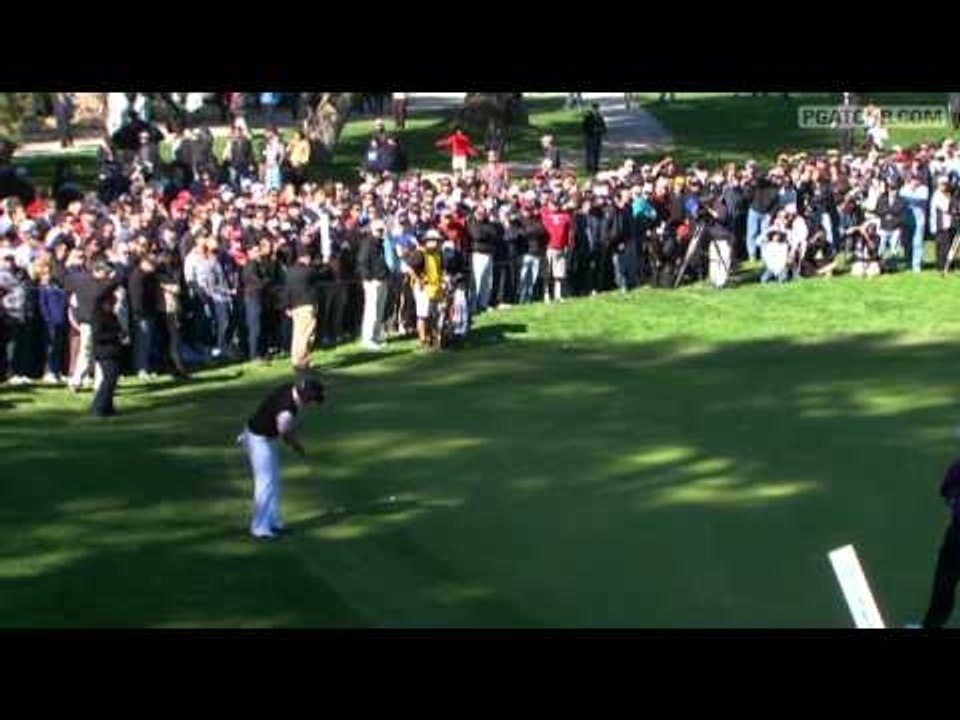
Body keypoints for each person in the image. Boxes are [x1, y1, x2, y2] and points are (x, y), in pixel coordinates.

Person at [237, 374, 326, 541]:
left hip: (264, 436)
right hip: (258, 440)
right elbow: (284, 431)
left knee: (274, 481)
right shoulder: (287, 410)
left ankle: (273, 523)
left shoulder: (291, 389)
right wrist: (296, 445)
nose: (312, 404)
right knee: (266, 482)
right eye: (312, 400)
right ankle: (260, 529)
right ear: (305, 397)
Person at [914, 451, 960, 628]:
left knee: (944, 587)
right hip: (957, 537)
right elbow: (946, 492)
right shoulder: (958, 467)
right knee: (943, 588)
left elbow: (947, 494)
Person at [90, 266, 124, 418]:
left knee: (112, 379)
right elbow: (99, 335)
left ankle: (108, 407)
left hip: (113, 349)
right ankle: (99, 406)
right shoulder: (98, 313)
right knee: (109, 379)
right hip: (104, 350)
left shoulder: (110, 314)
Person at [582, 103, 607, 174]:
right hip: (590, 137)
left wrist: (603, 131)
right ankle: (589, 167)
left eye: (597, 109)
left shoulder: (599, 116)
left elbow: (603, 125)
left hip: (598, 137)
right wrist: (592, 130)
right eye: (595, 109)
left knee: (597, 152)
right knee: (590, 153)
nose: (596, 110)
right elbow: (585, 127)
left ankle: (596, 166)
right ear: (592, 109)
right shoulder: (588, 117)